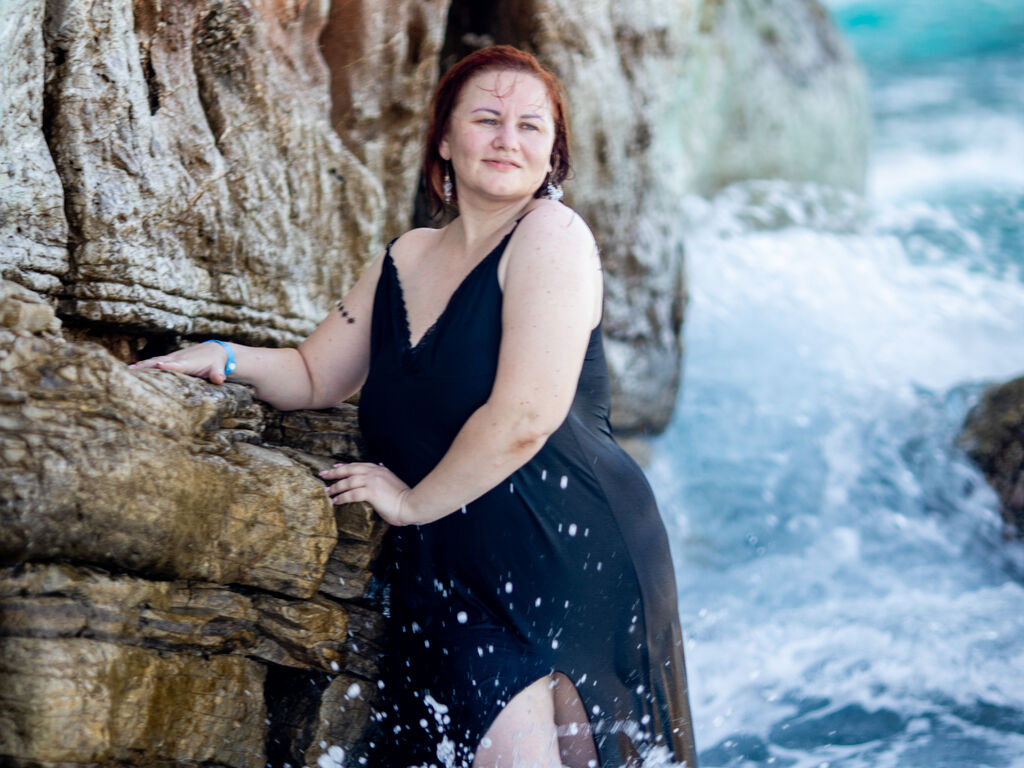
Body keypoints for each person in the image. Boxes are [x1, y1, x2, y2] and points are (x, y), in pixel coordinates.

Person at [131, 45, 697, 768]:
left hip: (566, 550)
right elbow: (314, 374)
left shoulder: (552, 236)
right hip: (452, 573)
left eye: (530, 126)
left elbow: (525, 417)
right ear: (444, 140)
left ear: (552, 153)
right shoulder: (402, 259)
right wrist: (226, 356)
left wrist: (409, 504)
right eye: (487, 119)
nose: (507, 139)